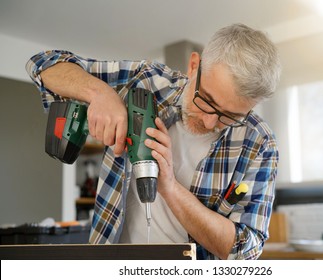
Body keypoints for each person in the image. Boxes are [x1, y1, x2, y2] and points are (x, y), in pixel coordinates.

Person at [26, 23, 281, 260]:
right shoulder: (145, 81)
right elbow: (43, 64)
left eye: (231, 116)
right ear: (194, 66)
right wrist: (100, 93)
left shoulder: (259, 143)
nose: (210, 122)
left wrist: (170, 188)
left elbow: (246, 250)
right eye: (208, 101)